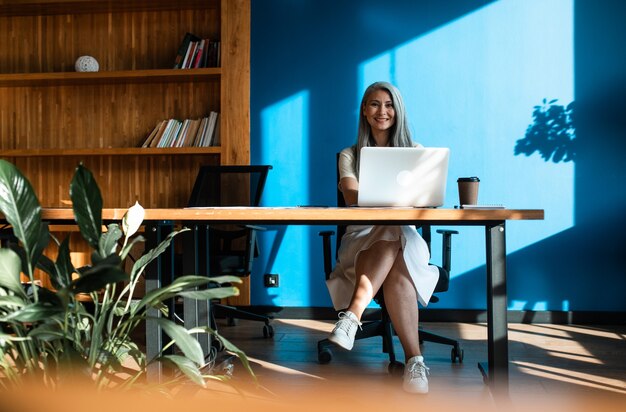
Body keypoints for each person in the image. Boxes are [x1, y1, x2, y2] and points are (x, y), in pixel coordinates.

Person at [325, 81, 440, 394]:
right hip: (361, 238)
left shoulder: (415, 152)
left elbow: (427, 198)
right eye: (374, 104)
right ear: (365, 110)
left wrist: (381, 198)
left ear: (397, 110)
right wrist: (399, 198)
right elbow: (350, 194)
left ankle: (351, 317)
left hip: (405, 236)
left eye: (389, 105)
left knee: (394, 231)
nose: (382, 111)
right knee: (395, 258)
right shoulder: (350, 155)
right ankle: (415, 362)